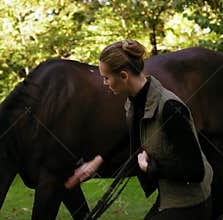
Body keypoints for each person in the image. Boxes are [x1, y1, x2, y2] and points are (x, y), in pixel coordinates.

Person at [65, 40, 213, 219]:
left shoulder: (170, 108)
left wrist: (150, 168)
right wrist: (97, 161)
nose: (104, 83)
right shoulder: (135, 101)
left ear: (124, 76)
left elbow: (195, 171)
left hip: (192, 203)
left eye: (106, 77)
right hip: (168, 197)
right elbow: (131, 133)